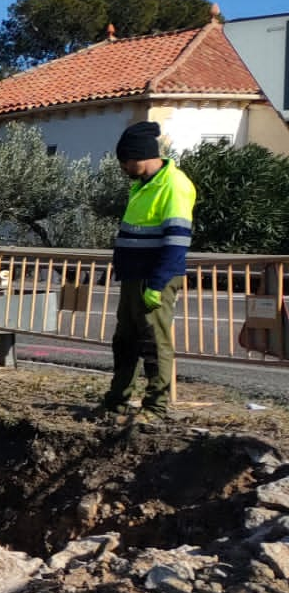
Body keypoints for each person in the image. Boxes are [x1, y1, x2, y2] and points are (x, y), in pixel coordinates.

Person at [100, 120, 195, 419]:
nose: (123, 168)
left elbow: (177, 241)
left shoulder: (174, 186)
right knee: (124, 340)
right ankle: (118, 398)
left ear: (141, 156)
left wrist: (157, 283)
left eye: (126, 162)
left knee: (155, 343)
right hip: (133, 276)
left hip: (156, 279)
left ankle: (156, 407)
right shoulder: (141, 186)